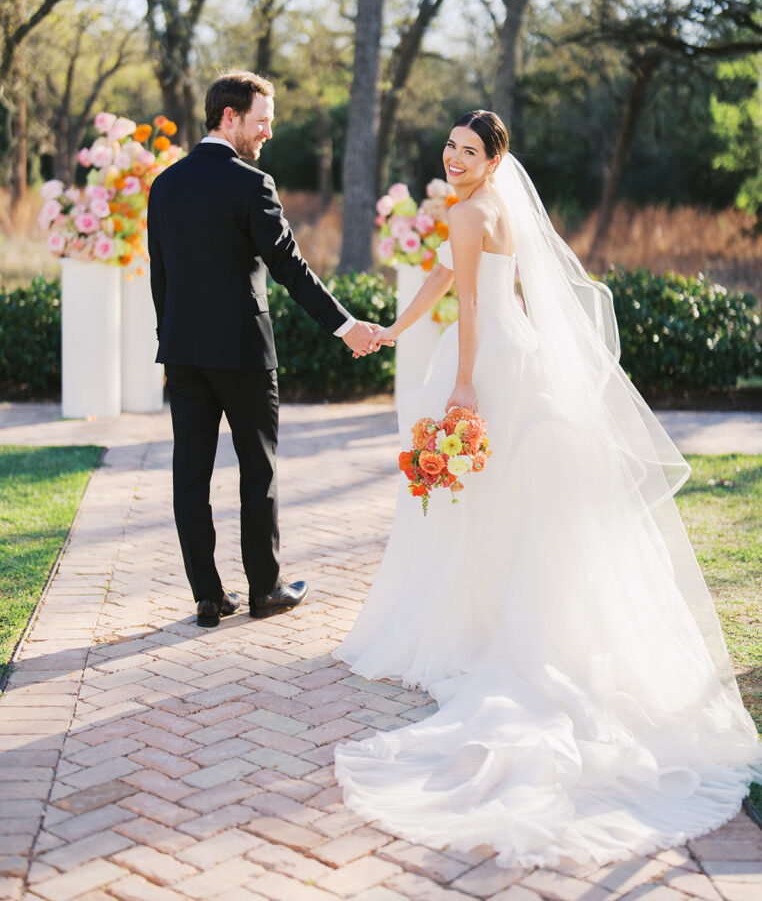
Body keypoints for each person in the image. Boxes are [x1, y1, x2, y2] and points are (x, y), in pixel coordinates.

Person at [334, 110, 762, 869]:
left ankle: (481, 624)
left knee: (477, 498)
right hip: (520, 354)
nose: (455, 158)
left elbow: (469, 305)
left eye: (469, 151)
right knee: (507, 501)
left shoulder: (471, 210)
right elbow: (450, 274)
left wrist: (463, 384)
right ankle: (501, 610)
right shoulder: (488, 209)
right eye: (451, 148)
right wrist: (397, 330)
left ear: (495, 159)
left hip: (487, 367)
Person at [147, 70, 378, 628]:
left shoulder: (165, 185)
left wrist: (169, 335)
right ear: (230, 117)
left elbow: (162, 275)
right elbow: (290, 269)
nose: (267, 133)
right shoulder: (252, 184)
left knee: (190, 474)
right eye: (262, 122)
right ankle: (264, 589)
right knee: (259, 470)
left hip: (182, 352)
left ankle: (206, 595)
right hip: (244, 355)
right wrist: (344, 325)